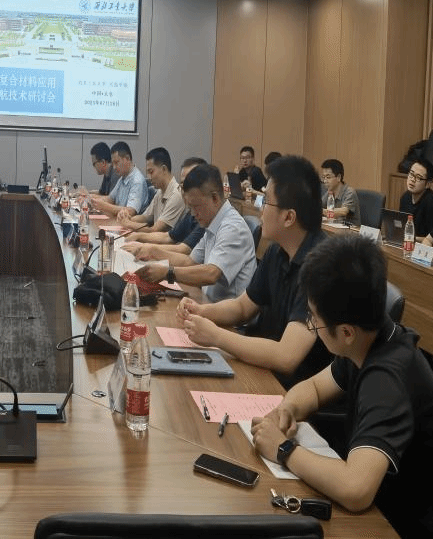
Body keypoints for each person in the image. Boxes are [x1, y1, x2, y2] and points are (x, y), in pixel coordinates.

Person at [251, 235, 433, 538]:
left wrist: (283, 449)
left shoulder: (387, 378)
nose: (312, 325)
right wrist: (288, 410)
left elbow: (355, 489)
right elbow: (314, 389)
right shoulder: (368, 338)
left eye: (314, 320)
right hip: (392, 505)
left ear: (346, 332)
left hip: (421, 527)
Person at [176, 155, 332, 388]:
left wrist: (216, 336)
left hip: (290, 387)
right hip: (261, 366)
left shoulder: (323, 267)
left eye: (266, 201)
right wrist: (201, 311)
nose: (260, 209)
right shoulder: (277, 251)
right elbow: (242, 308)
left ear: (289, 217)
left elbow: (286, 357)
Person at [134, 164, 256, 302]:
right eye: (190, 207)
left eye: (196, 206)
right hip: (209, 303)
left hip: (226, 313)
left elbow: (211, 274)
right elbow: (189, 261)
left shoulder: (232, 228)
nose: (193, 213)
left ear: (215, 198)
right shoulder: (213, 222)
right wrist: (153, 252)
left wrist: (168, 272)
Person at [123, 157, 206, 255]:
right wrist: (138, 235)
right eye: (183, 184)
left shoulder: (205, 216)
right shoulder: (192, 213)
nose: (184, 190)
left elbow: (184, 250)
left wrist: (146, 247)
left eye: (190, 184)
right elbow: (168, 237)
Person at [117, 147, 186, 233]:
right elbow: (145, 217)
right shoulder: (160, 192)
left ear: (164, 169)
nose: (149, 177)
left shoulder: (176, 195)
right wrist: (126, 218)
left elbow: (154, 230)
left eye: (151, 172)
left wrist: (128, 223)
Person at [89, 141, 148, 217]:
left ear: (127, 158)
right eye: (113, 163)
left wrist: (104, 206)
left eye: (116, 162)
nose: (114, 167)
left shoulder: (137, 181)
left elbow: (130, 211)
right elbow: (110, 199)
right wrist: (91, 200)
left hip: (129, 223)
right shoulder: (123, 178)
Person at [399, 158, 433, 239]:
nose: (412, 179)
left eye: (418, 178)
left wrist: (411, 238)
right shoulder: (405, 197)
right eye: (411, 174)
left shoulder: (431, 203)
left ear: (428, 184)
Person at [320, 158, 360, 227]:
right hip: (335, 228)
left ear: (338, 177)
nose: (325, 181)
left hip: (350, 231)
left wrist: (320, 211)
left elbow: (343, 211)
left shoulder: (349, 192)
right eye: (323, 177)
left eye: (328, 177)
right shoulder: (330, 192)